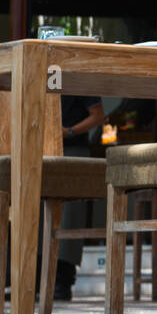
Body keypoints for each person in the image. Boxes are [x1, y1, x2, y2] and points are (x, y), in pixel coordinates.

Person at [54, 95, 105, 300]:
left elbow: (98, 115)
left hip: (73, 148)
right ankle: (35, 277)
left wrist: (70, 131)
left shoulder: (76, 77)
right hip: (43, 148)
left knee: (70, 215)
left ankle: (63, 279)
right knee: (38, 213)